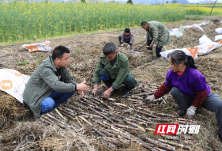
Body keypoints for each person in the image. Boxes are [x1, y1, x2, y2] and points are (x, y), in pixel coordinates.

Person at [146, 50, 222, 139]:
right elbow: (166, 86)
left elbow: (202, 93)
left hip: (203, 97)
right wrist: (154, 96)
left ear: (181, 64)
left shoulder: (195, 75)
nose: (170, 66)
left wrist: (194, 107)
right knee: (174, 90)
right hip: (187, 96)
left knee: (220, 105)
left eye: (172, 63)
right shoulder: (171, 73)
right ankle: (184, 107)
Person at [23, 46, 90, 117]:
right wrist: (76, 87)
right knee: (48, 104)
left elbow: (69, 80)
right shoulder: (46, 68)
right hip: (36, 95)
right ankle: (37, 112)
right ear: (57, 59)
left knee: (71, 89)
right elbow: (56, 85)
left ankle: (54, 106)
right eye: (66, 59)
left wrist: (77, 87)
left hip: (47, 90)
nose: (68, 61)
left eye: (69, 58)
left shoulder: (61, 66)